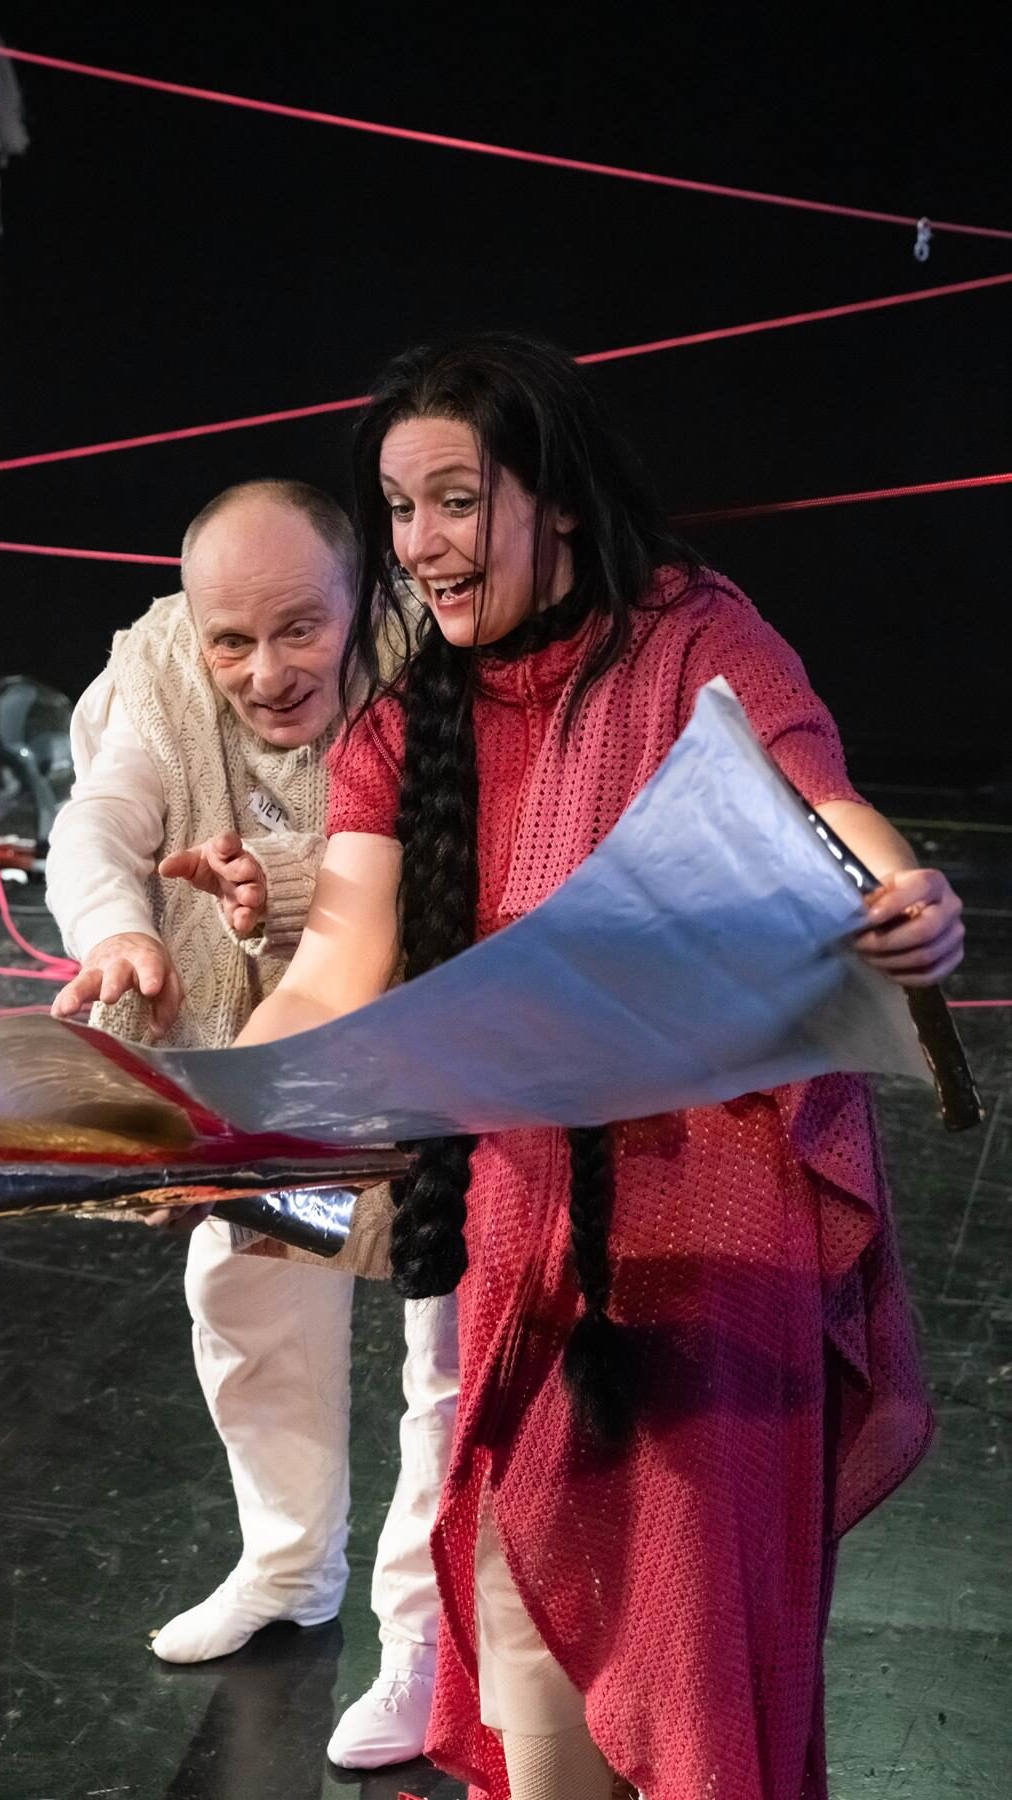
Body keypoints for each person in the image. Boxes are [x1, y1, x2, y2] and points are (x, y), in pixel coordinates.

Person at [231, 336, 964, 1800]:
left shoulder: (693, 636)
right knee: (526, 1625)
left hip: (722, 1213)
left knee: (691, 1656)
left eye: (456, 501)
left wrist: (902, 897)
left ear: (556, 498)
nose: (420, 544)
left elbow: (821, 804)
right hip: (532, 1220)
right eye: (399, 510)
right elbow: (331, 969)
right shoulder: (406, 720)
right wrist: (215, 1114)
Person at [45, 479, 455, 1770]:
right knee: (246, 1300)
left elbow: (462, 856)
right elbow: (103, 818)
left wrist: (280, 882)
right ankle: (288, 1567)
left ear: (359, 600)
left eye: (299, 631)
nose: (266, 673)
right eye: (234, 638)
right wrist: (117, 929)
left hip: (430, 1030)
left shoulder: (431, 655)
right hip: (262, 1038)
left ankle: (421, 1642)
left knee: (448, 1346)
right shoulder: (162, 662)